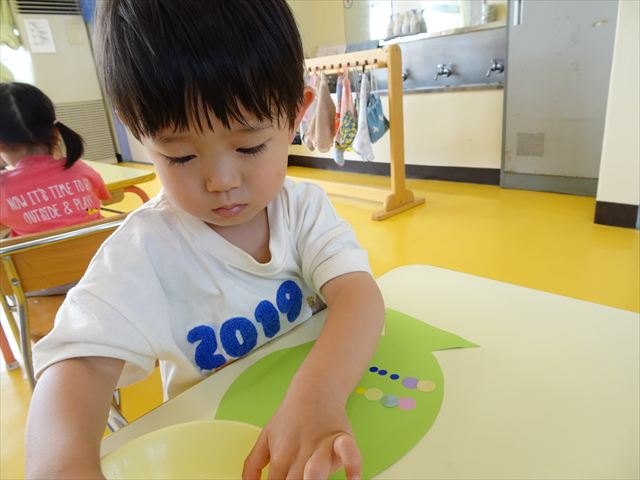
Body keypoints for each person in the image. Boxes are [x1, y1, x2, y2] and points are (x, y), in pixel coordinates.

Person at [25, 1, 385, 479]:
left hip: (321, 419)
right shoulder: (145, 251)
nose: (221, 181)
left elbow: (358, 295)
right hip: (214, 455)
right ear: (138, 133)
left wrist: (320, 392)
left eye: (249, 146)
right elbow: (80, 367)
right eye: (180, 156)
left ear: (296, 116)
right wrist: (61, 466)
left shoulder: (302, 210)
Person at [0, 82, 109, 237]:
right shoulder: (79, 168)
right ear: (56, 132)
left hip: (37, 253)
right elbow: (103, 197)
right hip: (100, 249)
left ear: (2, 145)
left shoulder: (3, 187)